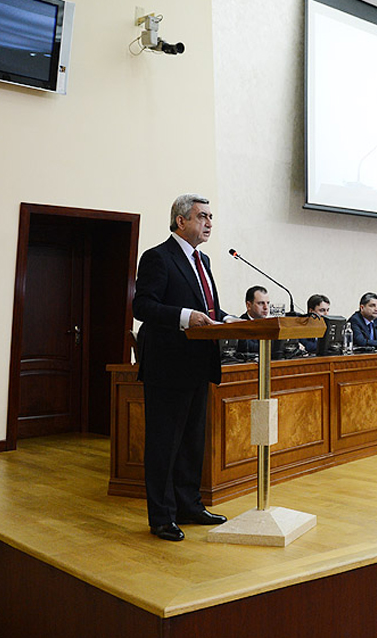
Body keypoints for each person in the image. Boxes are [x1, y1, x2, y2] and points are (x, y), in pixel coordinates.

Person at [132, 193, 239, 542]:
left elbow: (208, 307)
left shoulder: (203, 260)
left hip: (198, 363)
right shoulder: (157, 257)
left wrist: (230, 320)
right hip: (167, 365)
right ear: (181, 221)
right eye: (202, 216)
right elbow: (143, 306)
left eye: (211, 217)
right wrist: (184, 317)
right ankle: (162, 517)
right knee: (165, 443)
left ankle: (189, 505)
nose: (209, 223)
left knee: (193, 443)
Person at [236, 285, 270, 354]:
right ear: (248, 305)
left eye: (268, 303)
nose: (266, 307)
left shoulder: (270, 324)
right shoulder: (241, 325)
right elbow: (250, 348)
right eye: (261, 303)